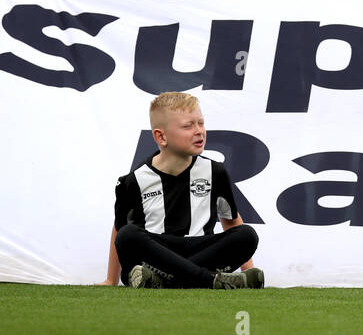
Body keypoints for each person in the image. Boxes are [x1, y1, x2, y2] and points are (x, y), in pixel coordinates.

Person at [103, 91, 264, 289]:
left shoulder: (215, 172)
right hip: (155, 255)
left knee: (246, 235)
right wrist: (111, 280)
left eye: (201, 123)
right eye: (188, 126)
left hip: (199, 249)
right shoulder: (135, 180)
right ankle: (211, 280)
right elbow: (119, 229)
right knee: (128, 235)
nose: (199, 131)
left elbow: (231, 220)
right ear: (161, 137)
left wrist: (248, 271)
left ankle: (161, 281)